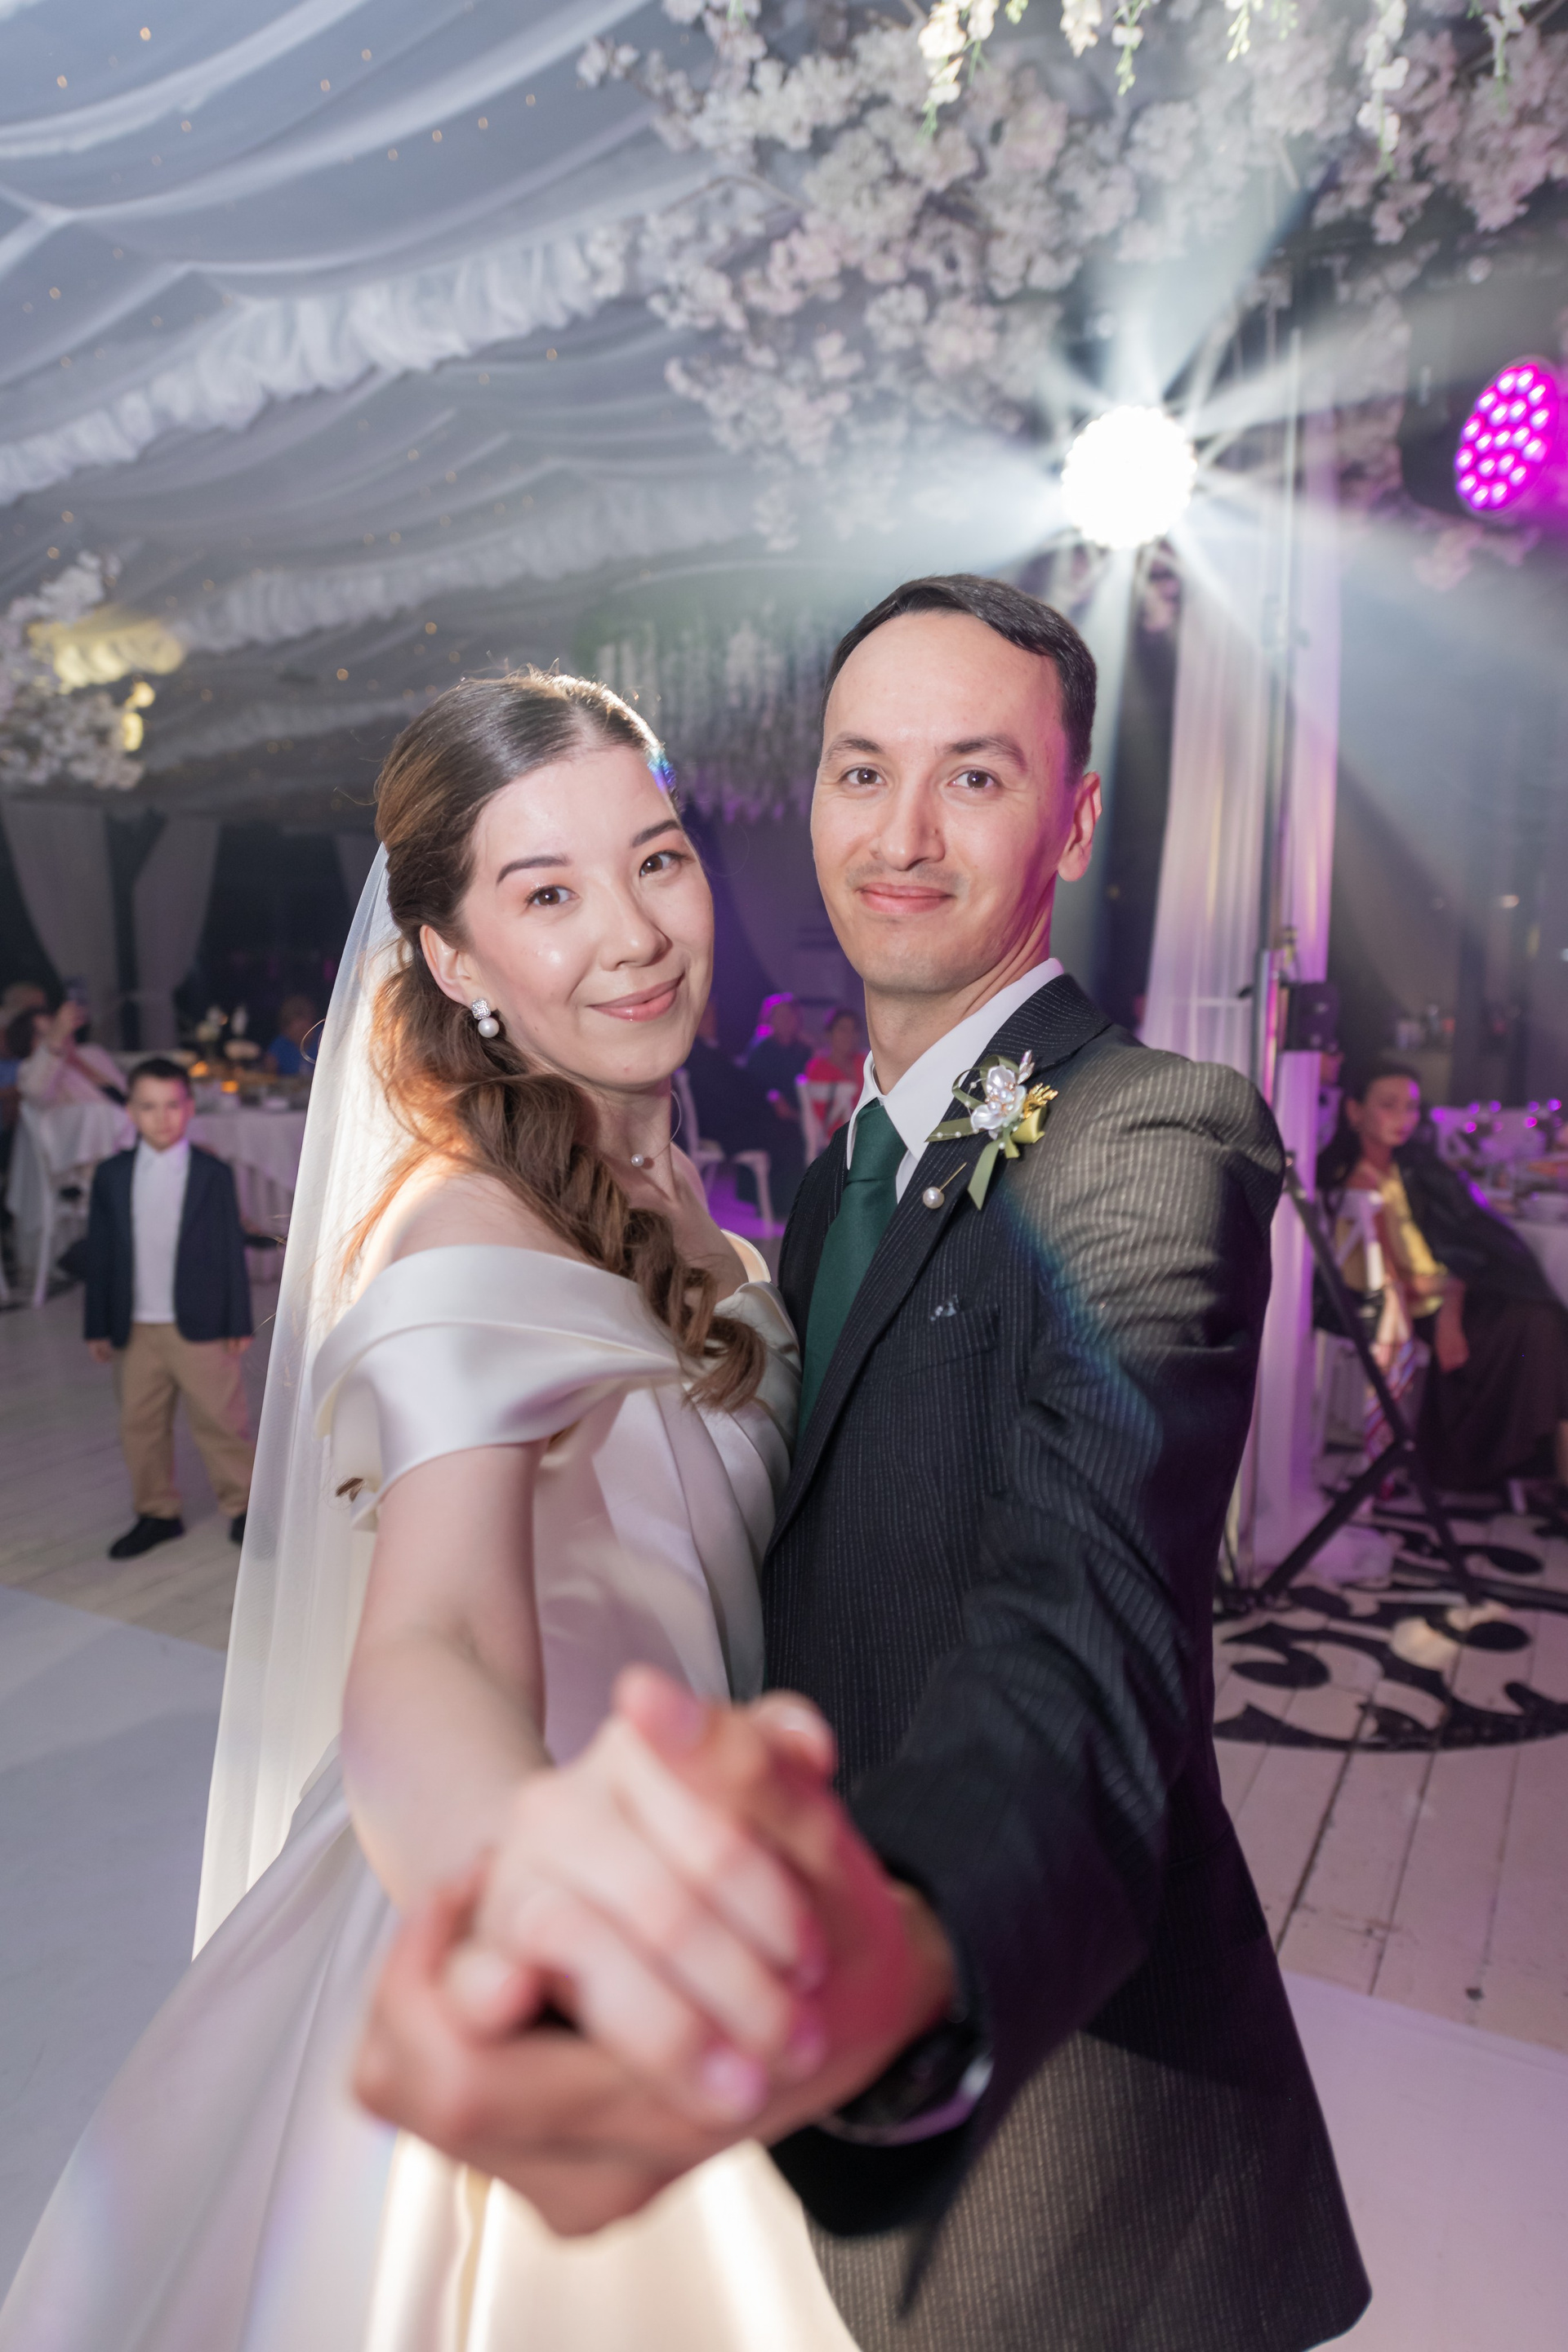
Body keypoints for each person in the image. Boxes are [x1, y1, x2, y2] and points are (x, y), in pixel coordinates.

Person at [354, 577, 1370, 2352]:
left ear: (1075, 822)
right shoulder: (829, 1186)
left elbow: (1090, 1634)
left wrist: (893, 1953)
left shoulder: (1147, 1138)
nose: (900, 836)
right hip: (757, 2085)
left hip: (1063, 2155)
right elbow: (436, 1634)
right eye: (859, 771)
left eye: (975, 776)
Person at [0, 674, 858, 2352]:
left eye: (657, 859)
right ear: (454, 961)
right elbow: (437, 1636)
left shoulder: (681, 1188)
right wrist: (546, 1903)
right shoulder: (464, 1236)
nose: (635, 934)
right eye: (547, 893)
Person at [1320, 1061, 1568, 1495]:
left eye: (1411, 1107)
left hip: (1450, 1296)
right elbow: (1393, 1285)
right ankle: (1510, 1461)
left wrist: (1454, 1299)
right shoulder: (1360, 1187)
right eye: (1389, 1105)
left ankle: (1539, 1463)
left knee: (1543, 1313)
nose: (1404, 1118)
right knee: (1539, 1324)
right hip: (1411, 1309)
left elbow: (1459, 1239)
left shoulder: (1410, 1168)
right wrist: (1450, 1308)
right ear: (1355, 1111)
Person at [81, 1057, 255, 1561]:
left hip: (200, 1322)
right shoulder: (111, 1175)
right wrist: (96, 1325)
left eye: (172, 1105)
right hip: (135, 1325)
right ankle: (157, 1512)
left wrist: (238, 1319)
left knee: (222, 1421)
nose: (162, 1118)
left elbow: (229, 1251)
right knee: (140, 1425)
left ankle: (246, 1508)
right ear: (131, 1111)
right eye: (149, 1107)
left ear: (189, 1108)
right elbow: (100, 1253)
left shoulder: (211, 1173)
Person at [684, 993, 774, 1158]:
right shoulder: (700, 1056)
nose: (713, 1020)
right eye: (706, 1015)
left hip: (729, 1124)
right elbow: (730, 1095)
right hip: (724, 1130)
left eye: (714, 1014)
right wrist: (767, 1105)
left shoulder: (710, 1051)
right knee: (784, 1133)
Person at [745, 991, 810, 1212]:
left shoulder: (804, 1050)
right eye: (780, 1016)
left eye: (790, 1015)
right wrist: (773, 1098)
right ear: (769, 1019)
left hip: (802, 1113)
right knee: (788, 1139)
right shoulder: (761, 1049)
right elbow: (752, 1086)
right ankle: (782, 1204)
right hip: (769, 1115)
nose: (786, 1020)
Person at [16, 998, 127, 1106]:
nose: (62, 1033)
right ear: (29, 1045)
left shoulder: (91, 1052)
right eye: (46, 1035)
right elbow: (36, 1092)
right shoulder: (31, 1072)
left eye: (58, 1026)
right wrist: (54, 1040)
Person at [800, 1005, 863, 1149]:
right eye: (843, 1030)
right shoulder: (818, 1068)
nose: (849, 1035)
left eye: (854, 1030)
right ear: (829, 1034)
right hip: (840, 1139)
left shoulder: (864, 1062)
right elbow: (823, 1117)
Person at [264, 992, 320, 1076]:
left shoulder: (323, 1039)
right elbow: (269, 1074)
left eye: (304, 1029)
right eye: (298, 1031)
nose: (302, 1035)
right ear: (286, 1030)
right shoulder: (280, 1045)